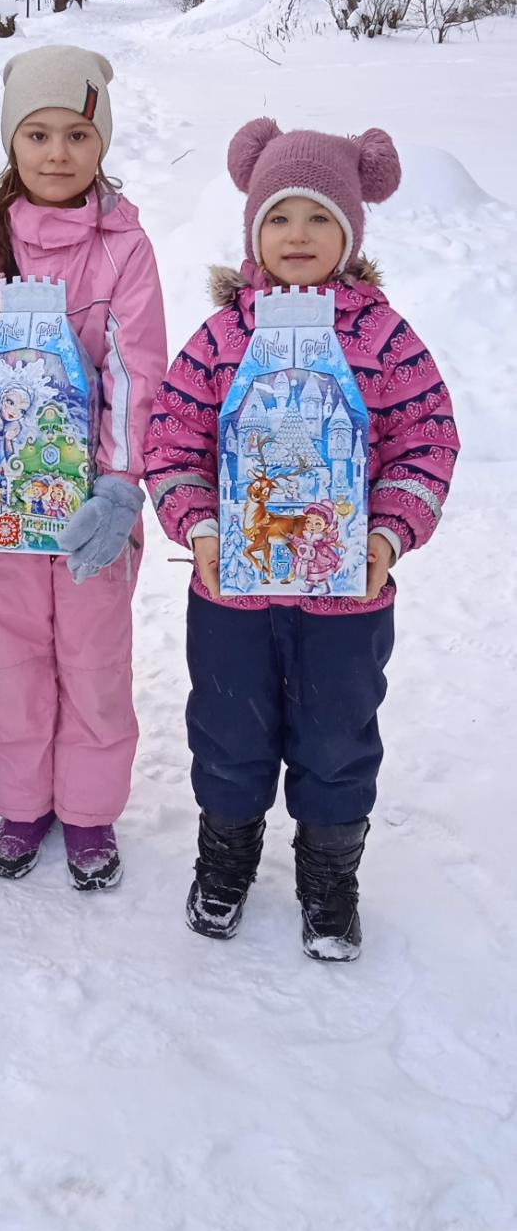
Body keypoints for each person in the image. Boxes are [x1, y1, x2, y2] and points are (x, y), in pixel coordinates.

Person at [145, 118, 459, 960]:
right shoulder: (222, 339)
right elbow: (171, 440)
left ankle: (329, 876)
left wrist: (386, 536)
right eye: (279, 216)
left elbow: (427, 440)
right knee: (229, 731)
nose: (297, 234)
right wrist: (200, 526)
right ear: (253, 228)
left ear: (351, 231)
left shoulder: (385, 341)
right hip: (233, 597)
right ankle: (226, 858)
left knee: (337, 739)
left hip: (346, 601)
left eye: (320, 217)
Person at [0, 46, 167, 890]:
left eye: (76, 134)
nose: (57, 153)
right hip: (2, 513)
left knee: (94, 664)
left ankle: (90, 811)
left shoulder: (125, 250)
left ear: (101, 143)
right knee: (15, 662)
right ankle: (22, 803)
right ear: (11, 141)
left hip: (89, 515)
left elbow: (136, 373)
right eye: (37, 134)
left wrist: (120, 490)